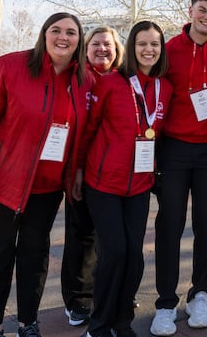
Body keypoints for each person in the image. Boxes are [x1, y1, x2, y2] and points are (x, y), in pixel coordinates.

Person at [0, 12, 92, 337]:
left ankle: (27, 321)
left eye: (71, 32)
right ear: (43, 34)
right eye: (56, 30)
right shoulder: (11, 67)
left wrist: (75, 172)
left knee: (35, 256)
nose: (63, 37)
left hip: (46, 189)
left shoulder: (84, 80)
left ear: (80, 40)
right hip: (2, 185)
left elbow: (80, 135)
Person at [149, 0, 207, 336]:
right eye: (202, 9)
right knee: (170, 225)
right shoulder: (168, 49)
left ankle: (199, 293)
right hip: (173, 148)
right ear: (190, 10)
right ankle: (165, 302)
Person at [78, 21, 173, 337]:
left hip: (140, 185)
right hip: (103, 182)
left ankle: (123, 320)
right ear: (131, 48)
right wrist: (78, 170)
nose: (149, 50)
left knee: (134, 254)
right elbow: (89, 129)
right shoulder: (110, 83)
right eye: (142, 43)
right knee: (114, 251)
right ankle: (100, 323)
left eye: (155, 45)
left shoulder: (165, 88)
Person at [61, 25, 124, 327]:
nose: (102, 49)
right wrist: (75, 169)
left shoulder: (126, 80)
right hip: (80, 168)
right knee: (82, 236)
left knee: (112, 238)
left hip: (115, 173)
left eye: (107, 45)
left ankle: (110, 292)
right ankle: (78, 299)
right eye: (95, 44)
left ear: (117, 50)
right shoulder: (76, 79)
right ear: (85, 50)